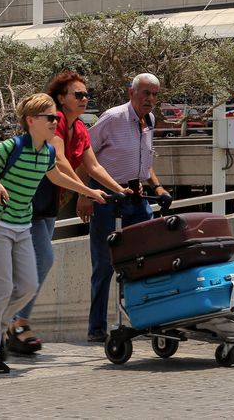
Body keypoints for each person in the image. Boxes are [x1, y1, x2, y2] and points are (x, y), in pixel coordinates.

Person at [0, 93, 106, 373]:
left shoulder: (48, 152)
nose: (56, 122)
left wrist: (88, 192)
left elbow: (56, 176)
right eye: (50, 117)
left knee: (27, 287)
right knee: (2, 289)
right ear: (31, 120)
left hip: (22, 224)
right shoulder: (12, 146)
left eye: (56, 117)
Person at [4, 72, 130, 355]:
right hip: (28, 200)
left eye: (86, 95)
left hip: (48, 205)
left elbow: (94, 167)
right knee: (44, 260)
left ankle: (12, 323)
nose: (85, 99)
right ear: (62, 98)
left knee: (35, 264)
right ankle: (15, 322)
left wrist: (119, 189)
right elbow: (58, 161)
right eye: (78, 95)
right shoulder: (55, 123)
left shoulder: (81, 128)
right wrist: (85, 192)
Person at [79, 73, 174, 343]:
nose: (150, 99)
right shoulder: (112, 117)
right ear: (131, 92)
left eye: (155, 94)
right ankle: (96, 329)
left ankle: (139, 321)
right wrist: (84, 194)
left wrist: (157, 187)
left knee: (142, 262)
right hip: (108, 198)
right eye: (145, 93)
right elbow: (85, 155)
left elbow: (144, 158)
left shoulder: (150, 120)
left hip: (137, 197)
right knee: (104, 265)